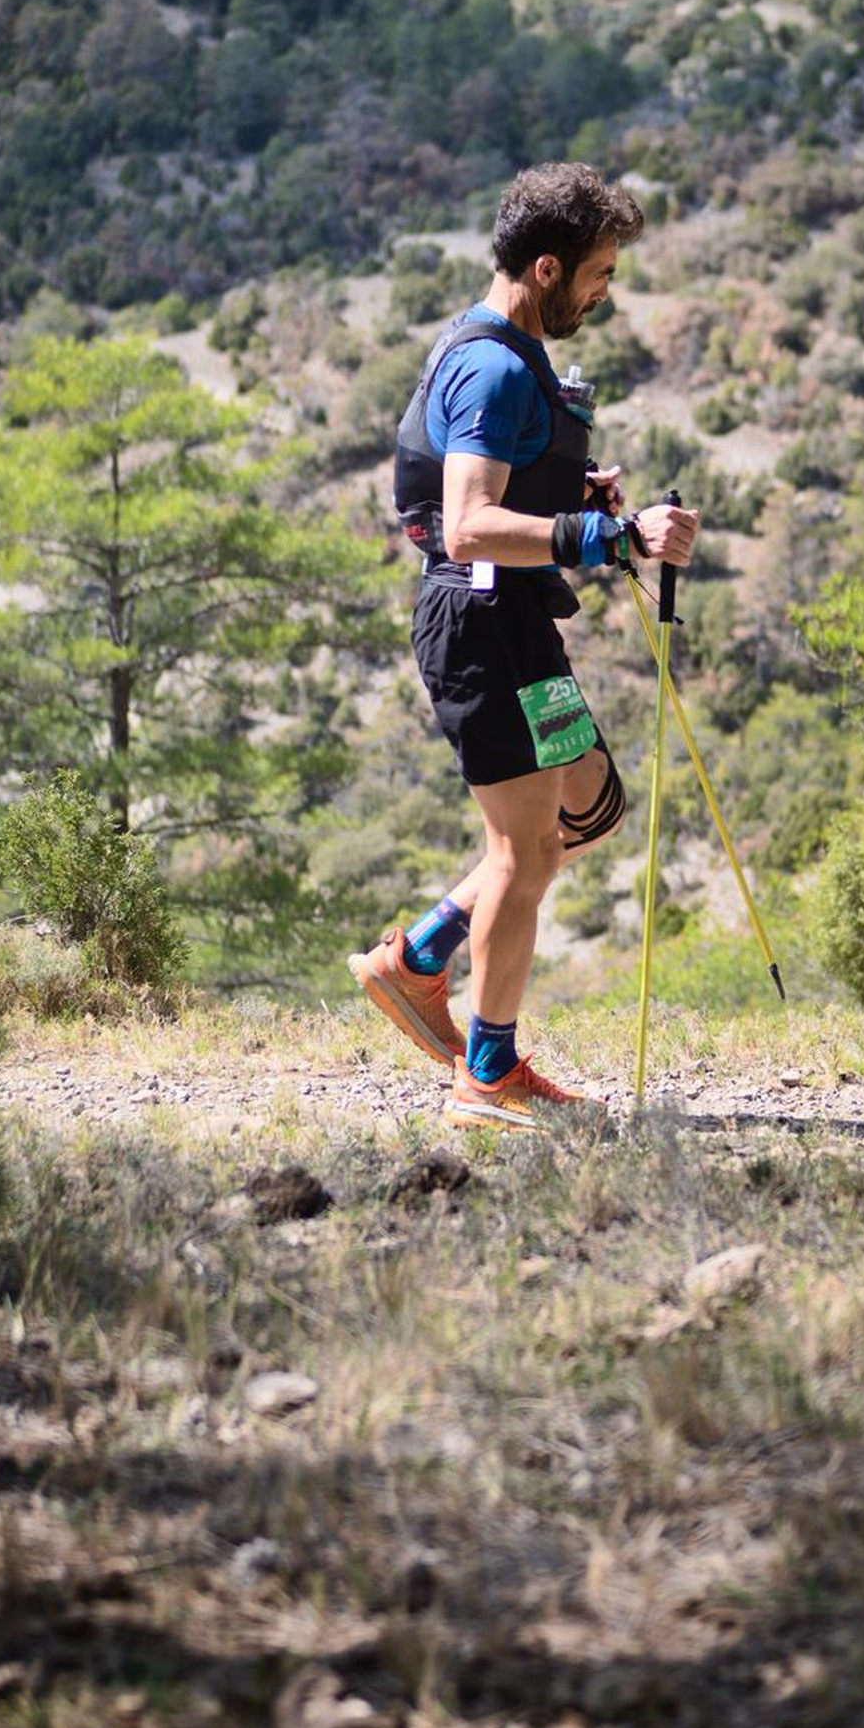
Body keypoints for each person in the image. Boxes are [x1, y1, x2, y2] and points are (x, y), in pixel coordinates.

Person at [349, 161, 699, 1132]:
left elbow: (490, 485)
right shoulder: (496, 367)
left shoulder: (499, 347)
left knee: (590, 806)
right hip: (478, 628)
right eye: (599, 273)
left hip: (515, 624)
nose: (605, 291)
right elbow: (466, 526)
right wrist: (612, 536)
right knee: (524, 853)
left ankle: (418, 960)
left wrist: (567, 492)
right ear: (547, 268)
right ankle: (487, 1072)